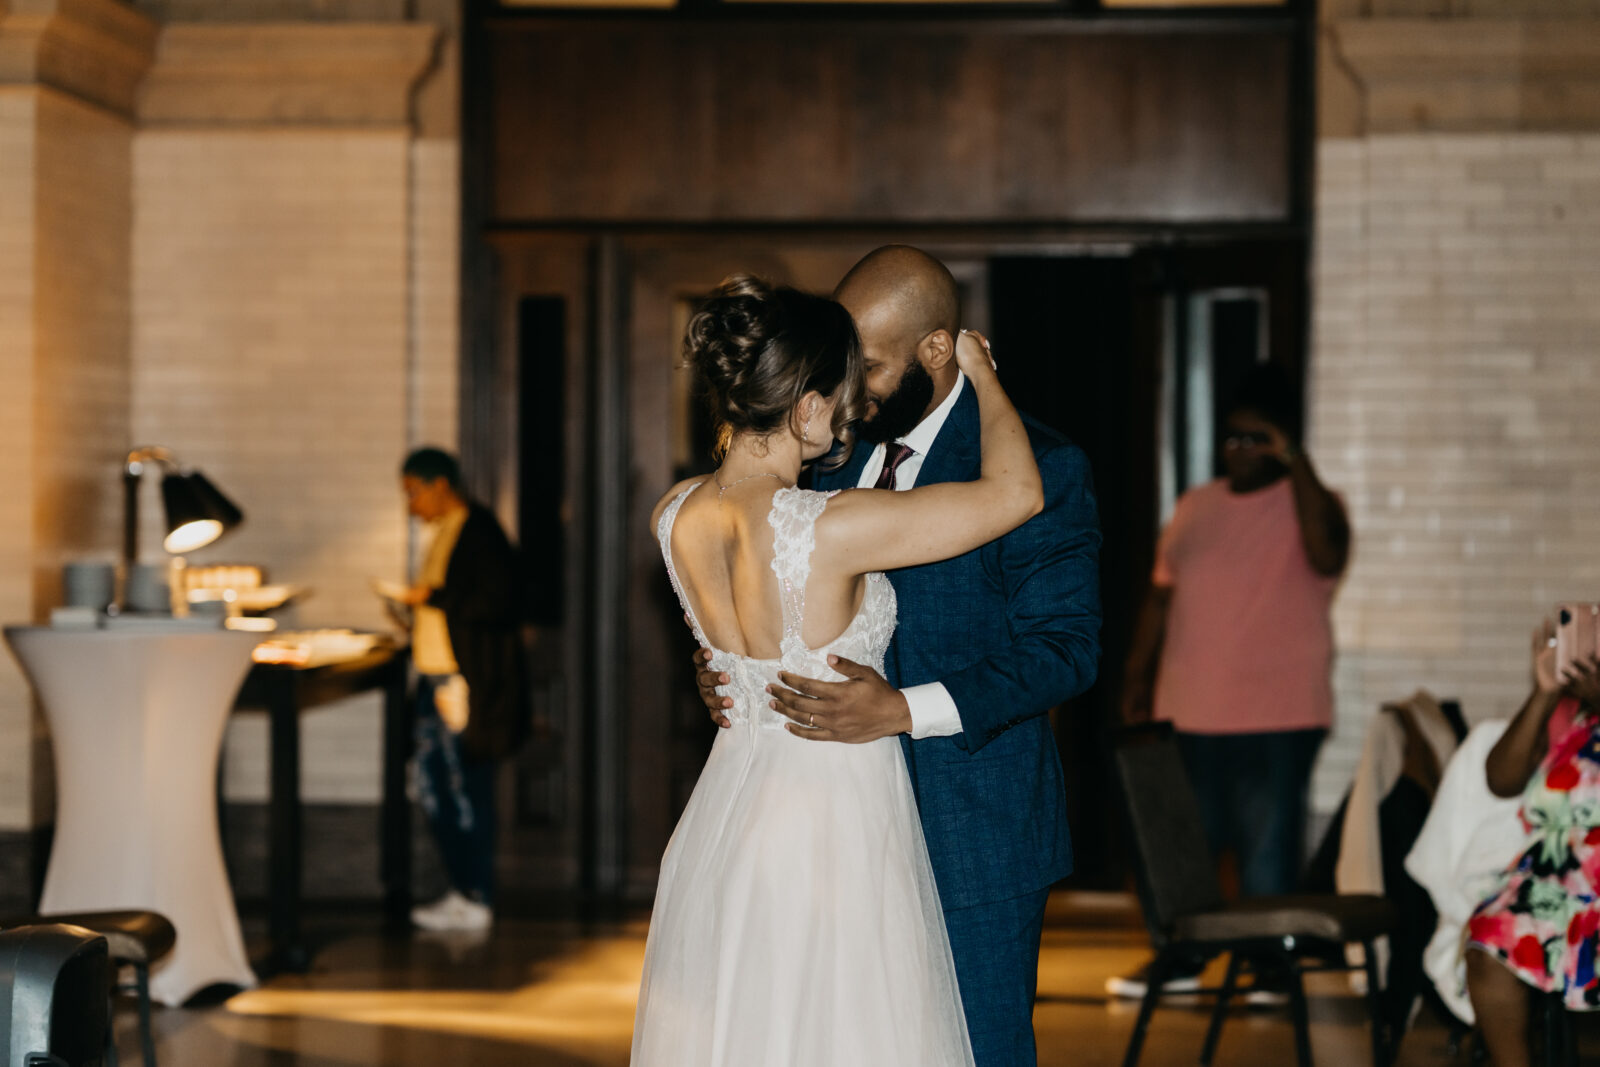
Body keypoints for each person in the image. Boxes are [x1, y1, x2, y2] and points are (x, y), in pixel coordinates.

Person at [694, 246, 1103, 1066]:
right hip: (832, 827)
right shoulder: (828, 456)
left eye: (869, 366)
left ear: (937, 351)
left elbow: (1067, 651)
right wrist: (733, 667)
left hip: (969, 824)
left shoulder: (1041, 464)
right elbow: (760, 577)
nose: (849, 390)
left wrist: (904, 708)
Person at [1113, 365, 1351, 1000]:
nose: (1240, 451)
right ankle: (1184, 961)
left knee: (1266, 853)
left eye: (1257, 439)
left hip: (1278, 714)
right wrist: (1136, 678)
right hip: (1189, 709)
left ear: (1284, 443)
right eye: (1233, 438)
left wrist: (1294, 462)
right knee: (1183, 850)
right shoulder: (1196, 505)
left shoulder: (1313, 507)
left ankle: (1269, 967)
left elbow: (1328, 554)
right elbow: (1160, 599)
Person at [393, 447, 528, 933]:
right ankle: (462, 890)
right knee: (434, 788)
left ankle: (475, 894)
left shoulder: (479, 530)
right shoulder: (443, 534)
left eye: (413, 492)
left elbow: (497, 601)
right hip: (435, 679)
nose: (410, 505)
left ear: (439, 485)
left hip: (460, 683)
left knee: (460, 788)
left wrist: (430, 597)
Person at [1465, 621, 1600, 1067]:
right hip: (1556, 874)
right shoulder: (1567, 711)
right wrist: (1545, 689)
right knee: (1490, 944)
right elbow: (1500, 779)